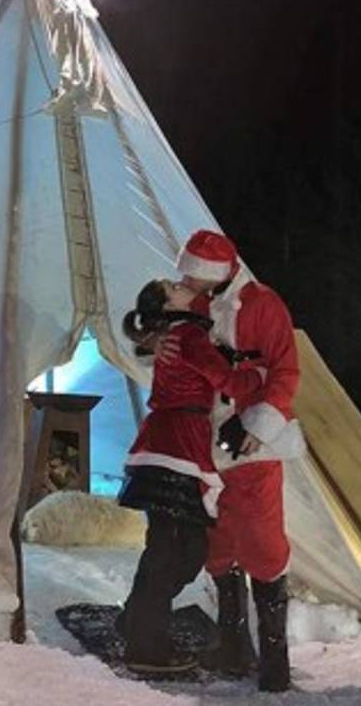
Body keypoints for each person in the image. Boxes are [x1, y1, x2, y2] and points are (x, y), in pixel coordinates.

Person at [168, 228, 305, 693]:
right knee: (218, 543)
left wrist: (255, 425)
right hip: (206, 444)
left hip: (252, 446)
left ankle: (275, 661)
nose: (187, 282)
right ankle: (232, 645)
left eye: (195, 276)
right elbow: (170, 339)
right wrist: (157, 348)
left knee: (263, 545)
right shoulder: (199, 305)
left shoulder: (264, 306)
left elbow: (285, 372)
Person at [117, 278, 266, 675]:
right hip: (176, 447)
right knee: (175, 551)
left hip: (171, 443)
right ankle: (144, 645)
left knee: (173, 548)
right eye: (174, 287)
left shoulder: (181, 334)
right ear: (169, 307)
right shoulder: (187, 335)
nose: (184, 285)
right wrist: (261, 375)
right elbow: (230, 382)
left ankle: (137, 622)